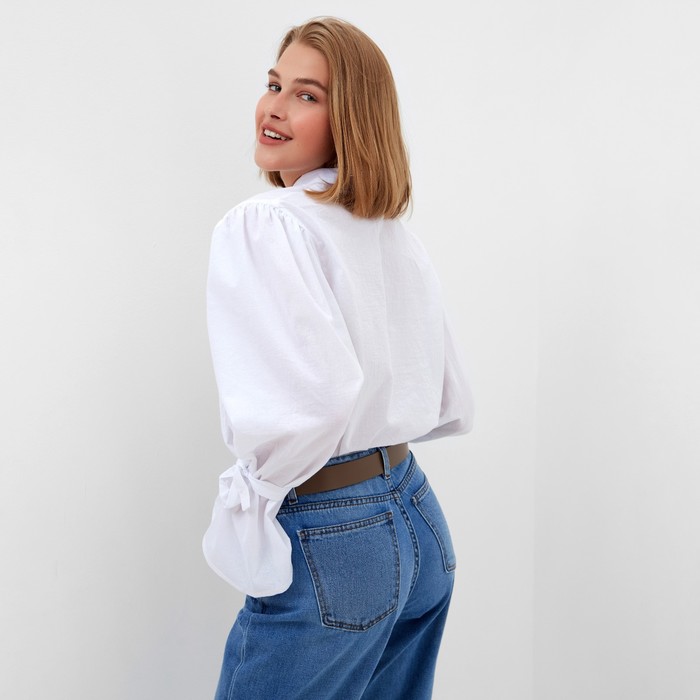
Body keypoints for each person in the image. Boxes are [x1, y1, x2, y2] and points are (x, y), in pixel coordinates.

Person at [203, 16, 475, 700]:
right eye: (274, 85)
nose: (275, 107)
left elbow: (312, 405)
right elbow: (445, 386)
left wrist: (257, 497)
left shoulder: (267, 224)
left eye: (307, 95)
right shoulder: (387, 231)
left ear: (350, 119)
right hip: (418, 520)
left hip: (333, 529)